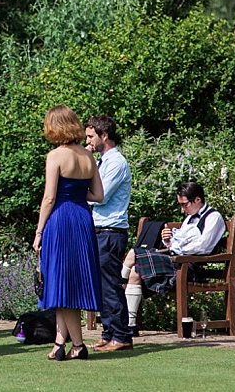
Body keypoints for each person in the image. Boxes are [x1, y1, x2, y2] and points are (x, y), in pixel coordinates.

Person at [33, 105, 104, 361]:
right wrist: (76, 193)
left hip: (61, 219)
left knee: (63, 280)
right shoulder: (88, 156)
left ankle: (78, 344)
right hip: (82, 218)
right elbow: (98, 195)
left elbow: (49, 197)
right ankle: (59, 343)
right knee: (65, 281)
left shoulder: (55, 155)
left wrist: (39, 231)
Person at [121, 182, 226, 331]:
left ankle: (118, 285)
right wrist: (168, 240)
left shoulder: (213, 217)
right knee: (135, 271)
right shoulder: (189, 218)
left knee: (134, 253)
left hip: (189, 267)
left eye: (184, 204)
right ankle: (130, 325)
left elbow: (204, 246)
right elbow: (177, 243)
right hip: (175, 260)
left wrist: (176, 248)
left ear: (197, 199)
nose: (182, 209)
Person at [85, 115, 134, 353]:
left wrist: (72, 191)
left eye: (91, 136)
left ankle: (122, 336)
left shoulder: (116, 163)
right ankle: (109, 334)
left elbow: (99, 195)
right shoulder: (102, 161)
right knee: (101, 286)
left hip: (111, 231)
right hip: (99, 230)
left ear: (104, 136)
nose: (88, 141)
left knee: (110, 285)